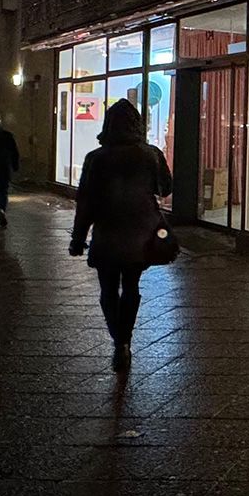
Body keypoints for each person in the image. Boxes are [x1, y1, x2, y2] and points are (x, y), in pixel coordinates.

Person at [69, 99, 173, 371]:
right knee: (131, 287)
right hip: (141, 232)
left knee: (107, 289)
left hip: (108, 230)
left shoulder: (96, 158)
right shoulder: (150, 154)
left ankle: (118, 339)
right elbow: (165, 188)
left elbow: (85, 203)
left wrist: (78, 238)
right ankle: (125, 341)